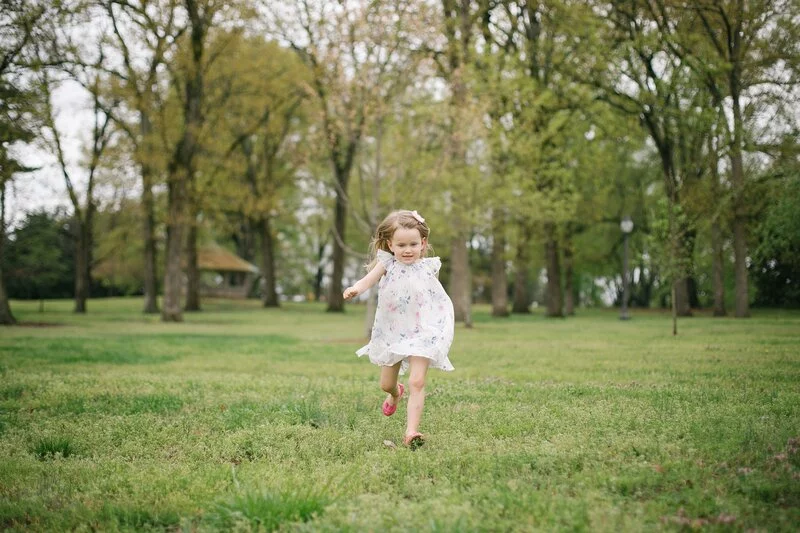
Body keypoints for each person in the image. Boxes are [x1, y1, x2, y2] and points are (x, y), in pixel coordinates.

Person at [343, 209, 454, 449]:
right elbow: (368, 281)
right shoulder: (387, 265)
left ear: (423, 244)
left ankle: (411, 432)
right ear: (390, 245)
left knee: (417, 382)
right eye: (401, 244)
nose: (408, 249)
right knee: (386, 383)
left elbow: (435, 297)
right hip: (392, 332)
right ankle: (395, 393)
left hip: (424, 332)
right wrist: (355, 289)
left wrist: (440, 322)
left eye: (413, 244)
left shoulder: (428, 267)